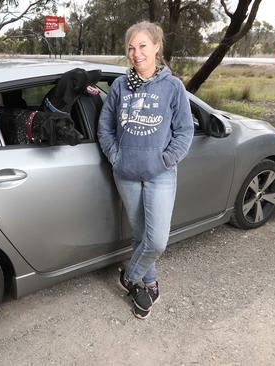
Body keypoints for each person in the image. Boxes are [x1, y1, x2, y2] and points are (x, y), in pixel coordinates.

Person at [97, 21, 194, 319]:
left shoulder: (172, 87)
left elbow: (185, 131)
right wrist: (116, 157)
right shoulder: (120, 86)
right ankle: (148, 284)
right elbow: (105, 127)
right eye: (130, 47)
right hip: (125, 173)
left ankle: (129, 275)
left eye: (142, 46)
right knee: (140, 234)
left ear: (156, 47)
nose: (136, 53)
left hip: (160, 174)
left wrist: (165, 161)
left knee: (157, 239)